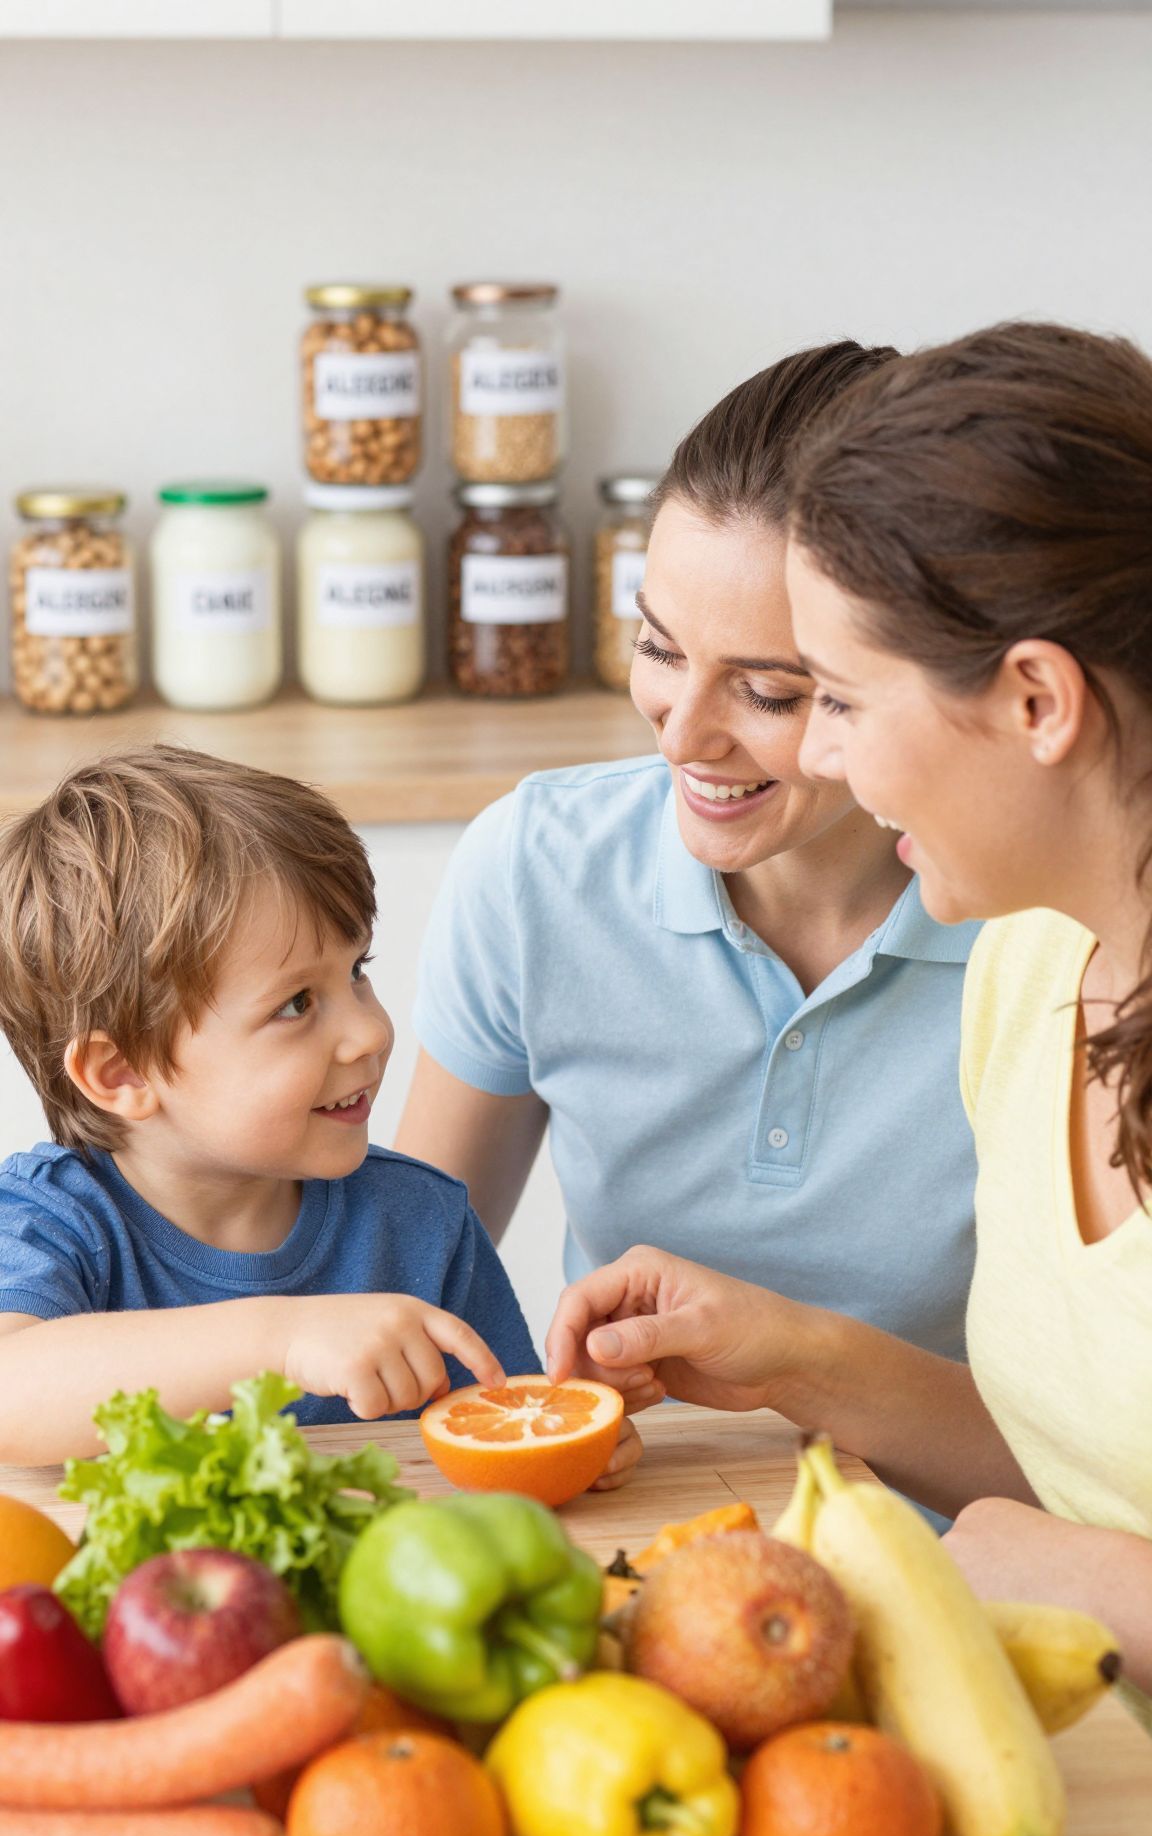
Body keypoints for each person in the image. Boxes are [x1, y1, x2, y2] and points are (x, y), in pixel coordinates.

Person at [546, 321, 1152, 1721]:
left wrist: (1069, 1579)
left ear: (1036, 699)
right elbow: (1094, 1458)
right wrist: (800, 1359)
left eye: (837, 698)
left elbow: (1069, 1537)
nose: (812, 752)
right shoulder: (1030, 967)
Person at [399, 343, 981, 1367]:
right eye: (661, 647)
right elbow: (404, 1295)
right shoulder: (538, 869)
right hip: (624, 1512)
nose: (680, 737)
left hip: (954, 1528)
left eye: (768, 692)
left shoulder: (1040, 926)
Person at [0, 745, 571, 1470]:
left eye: (358, 971)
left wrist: (574, 1445)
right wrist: (283, 1341)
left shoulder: (422, 1223)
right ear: (122, 1072)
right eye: (296, 1004)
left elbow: (511, 1428)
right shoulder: (49, 1223)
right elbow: (9, 1391)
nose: (370, 1031)